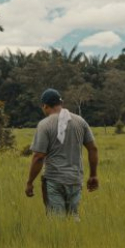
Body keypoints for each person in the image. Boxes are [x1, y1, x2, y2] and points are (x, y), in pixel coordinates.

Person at [25, 88, 99, 218]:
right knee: (73, 217)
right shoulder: (80, 122)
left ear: (45, 106)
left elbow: (38, 157)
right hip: (75, 179)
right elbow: (93, 149)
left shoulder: (44, 125)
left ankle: (59, 239)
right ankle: (75, 238)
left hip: (54, 180)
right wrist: (93, 175)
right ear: (61, 103)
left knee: (56, 220)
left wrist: (30, 182)